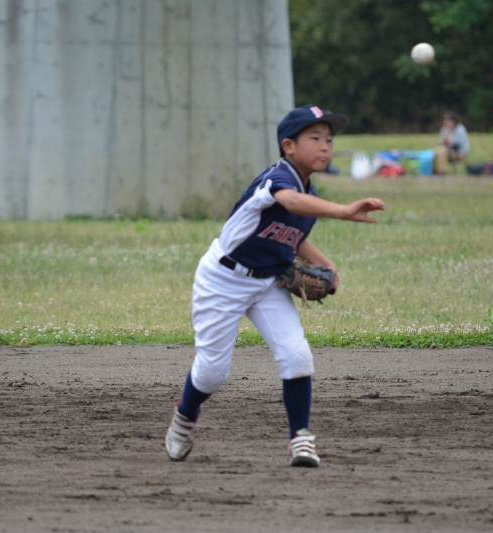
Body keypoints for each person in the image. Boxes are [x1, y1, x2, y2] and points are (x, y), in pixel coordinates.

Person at [165, 105, 385, 467]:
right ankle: (186, 414)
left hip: (269, 281)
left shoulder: (309, 190)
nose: (325, 146)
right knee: (212, 373)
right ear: (288, 146)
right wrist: (345, 211)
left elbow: (294, 236)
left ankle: (301, 439)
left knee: (297, 356)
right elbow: (291, 202)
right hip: (223, 279)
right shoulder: (278, 179)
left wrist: (326, 264)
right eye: (314, 138)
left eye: (329, 139)